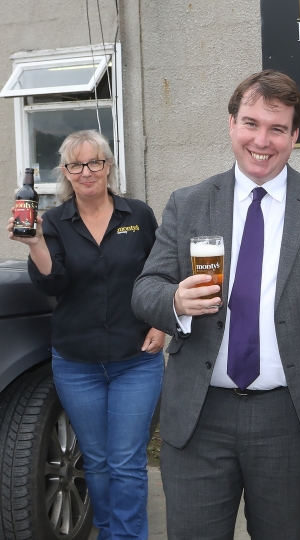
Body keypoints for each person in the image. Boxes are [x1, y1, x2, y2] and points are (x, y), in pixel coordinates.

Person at [131, 70, 300, 540]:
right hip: (200, 416)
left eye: (277, 128)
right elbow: (146, 288)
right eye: (250, 123)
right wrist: (175, 300)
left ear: (295, 135)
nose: (261, 140)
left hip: (291, 417)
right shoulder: (188, 204)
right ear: (231, 125)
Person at [7, 130, 166, 540]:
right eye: (76, 164)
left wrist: (162, 323)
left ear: (109, 165)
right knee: (96, 460)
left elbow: (163, 274)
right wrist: (37, 243)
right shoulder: (55, 222)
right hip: (78, 364)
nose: (87, 171)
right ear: (65, 172)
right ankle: (111, 530)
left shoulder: (139, 215)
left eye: (95, 161)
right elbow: (53, 283)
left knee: (126, 461)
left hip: (137, 360)